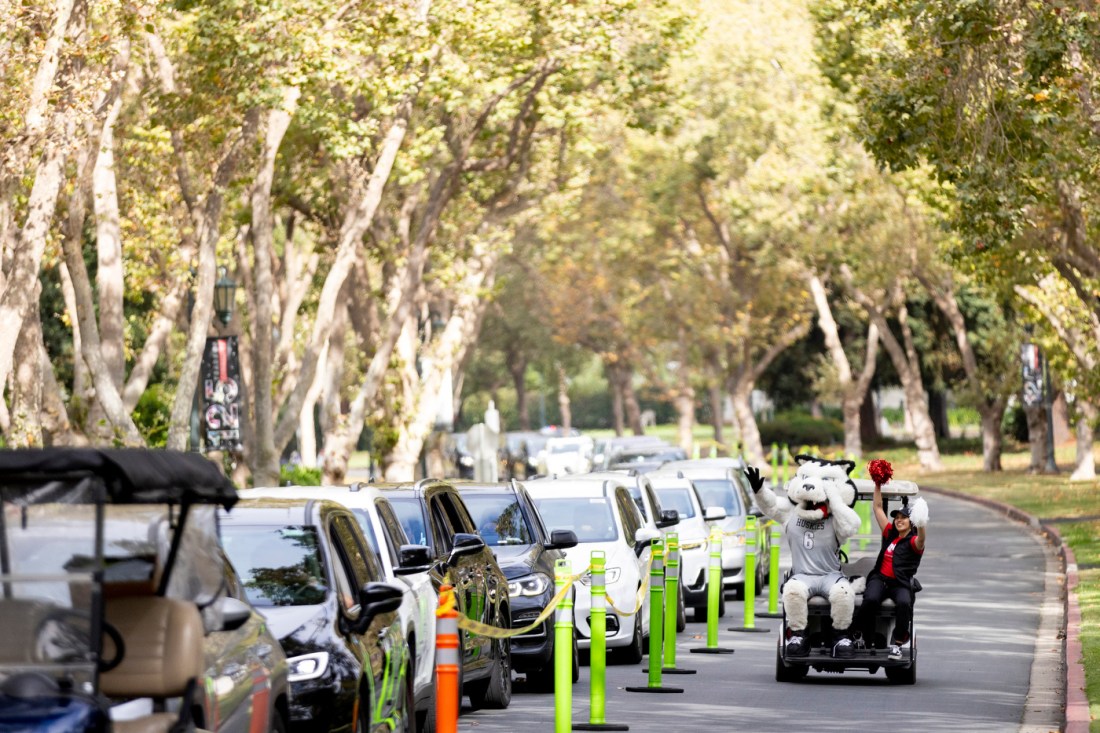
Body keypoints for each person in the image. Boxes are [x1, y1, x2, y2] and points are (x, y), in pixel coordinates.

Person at [856, 484, 928, 660]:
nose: (898, 520)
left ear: (911, 523)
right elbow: (877, 507)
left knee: (904, 602)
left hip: (899, 583)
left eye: (904, 518)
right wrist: (878, 484)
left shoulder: (913, 542)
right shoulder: (890, 534)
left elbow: (922, 538)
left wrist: (921, 522)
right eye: (897, 517)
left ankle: (897, 644)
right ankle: (860, 634)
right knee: (871, 598)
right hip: (880, 579)